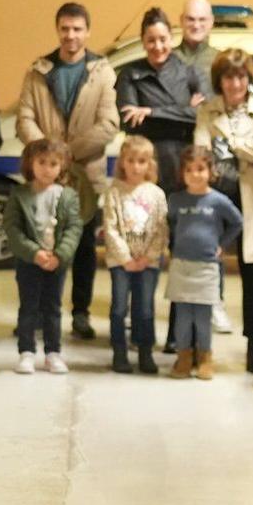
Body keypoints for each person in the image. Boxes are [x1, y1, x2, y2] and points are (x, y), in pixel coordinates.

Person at [16, 1, 119, 342]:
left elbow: (109, 124)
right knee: (39, 243)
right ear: (57, 29)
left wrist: (66, 154)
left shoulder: (102, 72)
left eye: (77, 29)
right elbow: (25, 118)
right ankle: (38, 314)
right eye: (65, 28)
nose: (71, 35)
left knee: (83, 247)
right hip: (43, 176)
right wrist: (45, 155)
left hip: (85, 176)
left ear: (87, 32)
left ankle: (79, 313)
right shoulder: (39, 71)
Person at [195, 48, 253, 369]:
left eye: (241, 76)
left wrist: (230, 146)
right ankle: (195, 344)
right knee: (203, 268)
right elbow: (201, 152)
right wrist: (246, 150)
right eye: (229, 77)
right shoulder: (207, 111)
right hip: (216, 200)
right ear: (220, 80)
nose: (235, 83)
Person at [4, 138, 82, 376]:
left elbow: (73, 228)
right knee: (28, 306)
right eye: (42, 162)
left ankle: (52, 353)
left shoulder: (68, 196)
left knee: (53, 307)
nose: (47, 168)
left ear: (62, 167)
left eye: (53, 164)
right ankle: (26, 351)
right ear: (30, 164)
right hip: (29, 262)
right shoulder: (19, 194)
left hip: (56, 263)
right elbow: (12, 229)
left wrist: (59, 255)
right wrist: (34, 253)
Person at [166, 146, 243, 380]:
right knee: (183, 317)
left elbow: (237, 222)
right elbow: (170, 223)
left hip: (207, 267)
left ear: (211, 171)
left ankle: (205, 357)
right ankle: (184, 357)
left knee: (202, 317)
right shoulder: (176, 199)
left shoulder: (218, 201)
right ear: (182, 173)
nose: (195, 174)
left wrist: (222, 244)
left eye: (200, 169)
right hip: (181, 266)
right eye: (189, 170)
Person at [116, 7, 204, 193]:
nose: (157, 46)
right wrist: (183, 111)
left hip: (185, 164)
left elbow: (202, 116)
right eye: (151, 40)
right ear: (143, 42)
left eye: (162, 39)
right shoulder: (130, 74)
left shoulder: (189, 71)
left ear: (171, 38)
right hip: (145, 164)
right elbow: (130, 123)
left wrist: (150, 112)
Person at [101, 135, 167, 376]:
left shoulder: (156, 194)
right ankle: (119, 351)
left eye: (142, 161)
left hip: (148, 263)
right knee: (119, 307)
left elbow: (161, 229)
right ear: (123, 162)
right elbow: (110, 228)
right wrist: (126, 258)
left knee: (145, 308)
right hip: (121, 263)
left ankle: (145, 351)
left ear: (150, 164)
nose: (136, 166)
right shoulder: (114, 192)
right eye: (131, 160)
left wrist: (147, 258)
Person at [177, 0, 218, 83]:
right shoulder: (166, 59)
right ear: (181, 20)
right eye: (191, 19)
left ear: (212, 21)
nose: (196, 25)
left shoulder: (221, 61)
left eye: (202, 19)